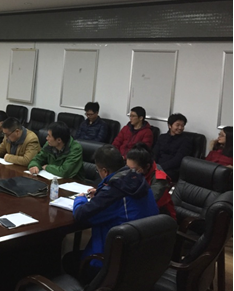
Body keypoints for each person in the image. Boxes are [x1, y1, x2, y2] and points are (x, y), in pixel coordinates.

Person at [68, 144, 158, 277]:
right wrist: (101, 194)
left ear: (104, 171)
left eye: (98, 170)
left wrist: (80, 200)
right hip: (141, 257)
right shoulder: (139, 180)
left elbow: (81, 215)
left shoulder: (113, 193)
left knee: (68, 261)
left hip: (111, 264)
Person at [127, 143, 176, 219]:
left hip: (161, 215)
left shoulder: (160, 178)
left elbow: (147, 201)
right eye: (127, 168)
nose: (129, 172)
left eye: (133, 169)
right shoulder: (136, 170)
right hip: (141, 211)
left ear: (147, 166)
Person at [153, 113, 192, 180]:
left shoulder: (186, 141)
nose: (180, 128)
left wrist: (160, 167)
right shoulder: (162, 137)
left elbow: (178, 160)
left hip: (173, 169)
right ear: (170, 126)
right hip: (157, 166)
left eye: (182, 126)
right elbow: (155, 153)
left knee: (155, 178)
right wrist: (153, 165)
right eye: (177, 125)